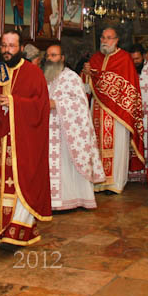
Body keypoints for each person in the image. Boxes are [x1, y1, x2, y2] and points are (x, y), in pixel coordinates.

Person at [0, 30, 52, 248]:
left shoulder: (33, 73)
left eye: (12, 46)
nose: (7, 50)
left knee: (20, 183)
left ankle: (16, 231)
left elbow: (41, 105)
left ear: (21, 48)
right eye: (4, 45)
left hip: (22, 142)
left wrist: (13, 102)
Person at [82, 27, 145, 193]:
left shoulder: (124, 58)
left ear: (116, 40)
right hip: (97, 110)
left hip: (117, 112)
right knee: (96, 147)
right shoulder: (95, 58)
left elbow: (128, 88)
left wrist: (96, 75)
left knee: (117, 148)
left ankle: (115, 183)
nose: (104, 41)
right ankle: (98, 181)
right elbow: (86, 88)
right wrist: (87, 74)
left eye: (108, 38)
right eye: (102, 37)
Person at [43, 44, 105, 210]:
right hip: (50, 130)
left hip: (68, 133)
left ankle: (75, 199)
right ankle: (54, 202)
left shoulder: (71, 77)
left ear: (62, 58)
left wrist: (57, 104)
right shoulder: (46, 78)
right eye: (48, 56)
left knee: (68, 166)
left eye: (54, 55)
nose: (50, 59)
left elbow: (80, 104)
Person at [129, 44, 148, 177]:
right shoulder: (128, 69)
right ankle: (136, 172)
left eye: (137, 59)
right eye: (133, 59)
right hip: (134, 115)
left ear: (143, 56)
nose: (135, 62)